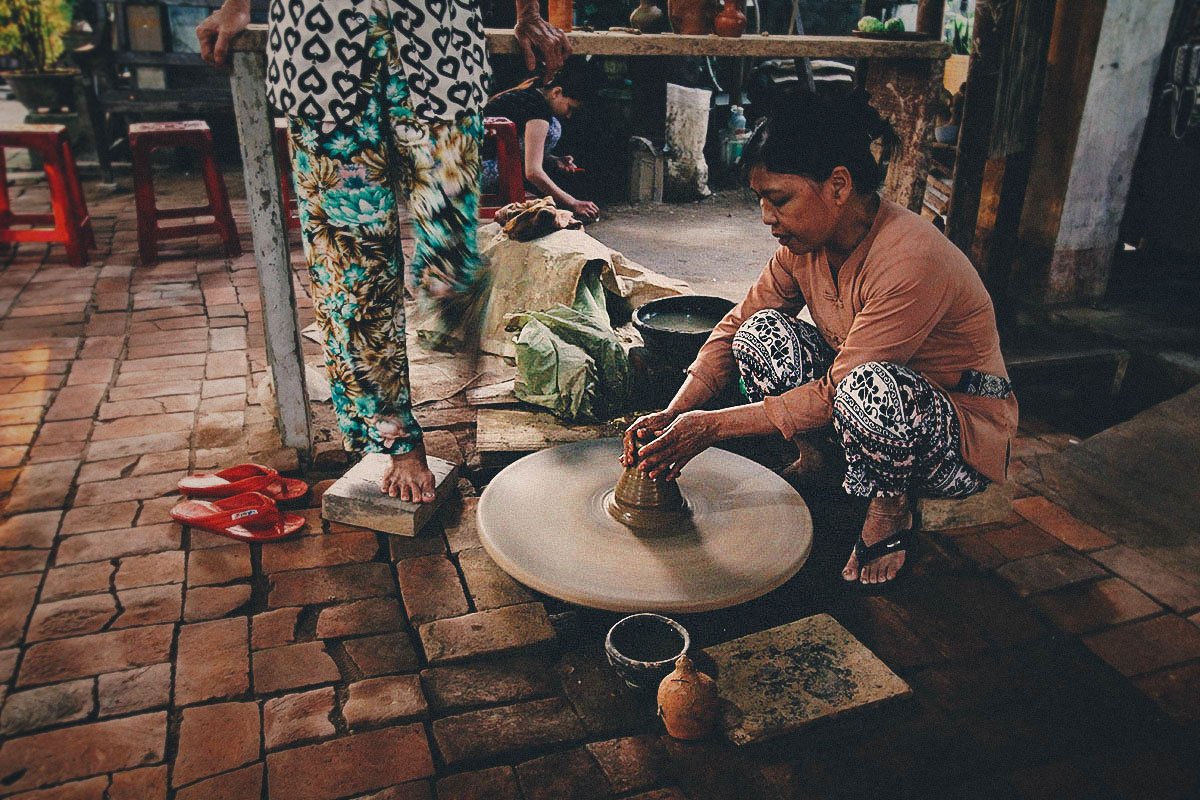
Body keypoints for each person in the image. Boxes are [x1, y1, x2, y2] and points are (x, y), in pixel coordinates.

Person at [621, 91, 1018, 587]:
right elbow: (733, 327)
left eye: (779, 199)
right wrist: (675, 413)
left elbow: (842, 388)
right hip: (860, 400)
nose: (767, 217)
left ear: (838, 185)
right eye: (761, 200)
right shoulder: (802, 246)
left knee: (868, 391)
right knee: (759, 333)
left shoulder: (911, 258)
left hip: (955, 435)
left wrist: (711, 428)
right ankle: (820, 461)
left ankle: (890, 506)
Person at [196, 0, 569, 501]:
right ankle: (397, 439)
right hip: (324, 39)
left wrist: (528, 12)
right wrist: (237, 5)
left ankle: (449, 358)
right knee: (354, 268)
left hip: (440, 38)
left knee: (452, 255)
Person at [481, 64, 600, 221]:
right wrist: (573, 202)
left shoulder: (528, 95)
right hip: (480, 171)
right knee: (553, 127)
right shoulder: (537, 109)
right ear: (556, 92)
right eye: (570, 108)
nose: (569, 115)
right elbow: (533, 172)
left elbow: (507, 145)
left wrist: (553, 159)